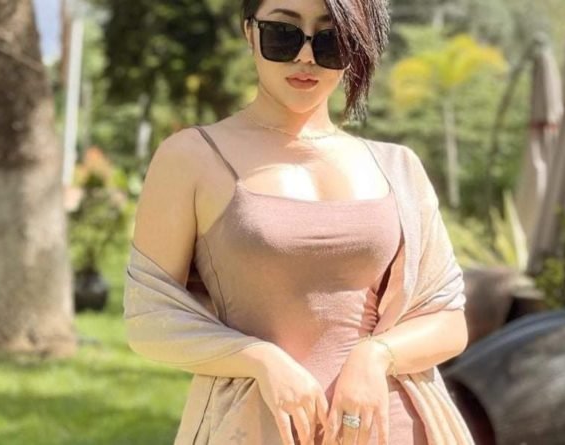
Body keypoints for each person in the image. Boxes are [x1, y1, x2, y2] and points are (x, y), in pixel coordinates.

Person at [128, 0, 471, 444]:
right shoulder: (191, 158)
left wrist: (376, 356)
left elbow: (448, 320)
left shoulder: (398, 167)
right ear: (249, 32)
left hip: (394, 427)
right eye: (283, 34)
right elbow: (149, 318)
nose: (306, 56)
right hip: (256, 428)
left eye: (330, 40)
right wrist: (259, 359)